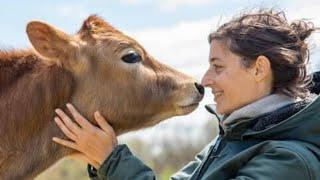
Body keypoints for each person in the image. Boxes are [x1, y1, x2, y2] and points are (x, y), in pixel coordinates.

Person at [52, 9, 320, 179]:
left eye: (218, 66)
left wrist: (111, 161)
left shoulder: (290, 160)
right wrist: (101, 163)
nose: (206, 79)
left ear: (259, 69)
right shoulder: (231, 140)